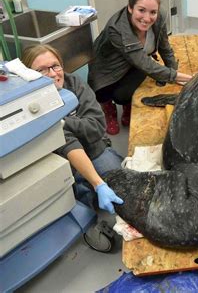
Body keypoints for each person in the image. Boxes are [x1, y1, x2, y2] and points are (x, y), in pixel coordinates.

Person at [22, 44, 124, 252]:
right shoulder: (29, 103)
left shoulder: (74, 83)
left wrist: (61, 122)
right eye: (41, 70)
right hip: (64, 161)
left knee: (118, 175)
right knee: (75, 191)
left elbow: (96, 127)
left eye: (55, 66)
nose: (51, 74)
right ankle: (89, 224)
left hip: (94, 148)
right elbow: (65, 142)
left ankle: (93, 194)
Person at [88, 0, 192, 135]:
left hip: (134, 64)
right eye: (141, 10)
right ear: (130, 8)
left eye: (152, 12)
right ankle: (108, 110)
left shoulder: (160, 17)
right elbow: (144, 63)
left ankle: (127, 106)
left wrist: (173, 70)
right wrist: (188, 78)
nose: (147, 18)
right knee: (103, 92)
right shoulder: (116, 29)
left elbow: (164, 47)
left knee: (122, 96)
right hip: (106, 70)